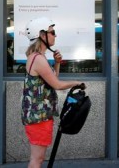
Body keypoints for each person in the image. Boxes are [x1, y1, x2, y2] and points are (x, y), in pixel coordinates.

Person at [20, 17, 84, 168]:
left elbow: (52, 80)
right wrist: (76, 83)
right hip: (38, 117)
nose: (55, 35)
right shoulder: (38, 59)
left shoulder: (38, 57)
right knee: (37, 160)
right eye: (52, 32)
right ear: (42, 35)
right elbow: (57, 85)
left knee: (38, 159)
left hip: (39, 115)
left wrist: (56, 63)